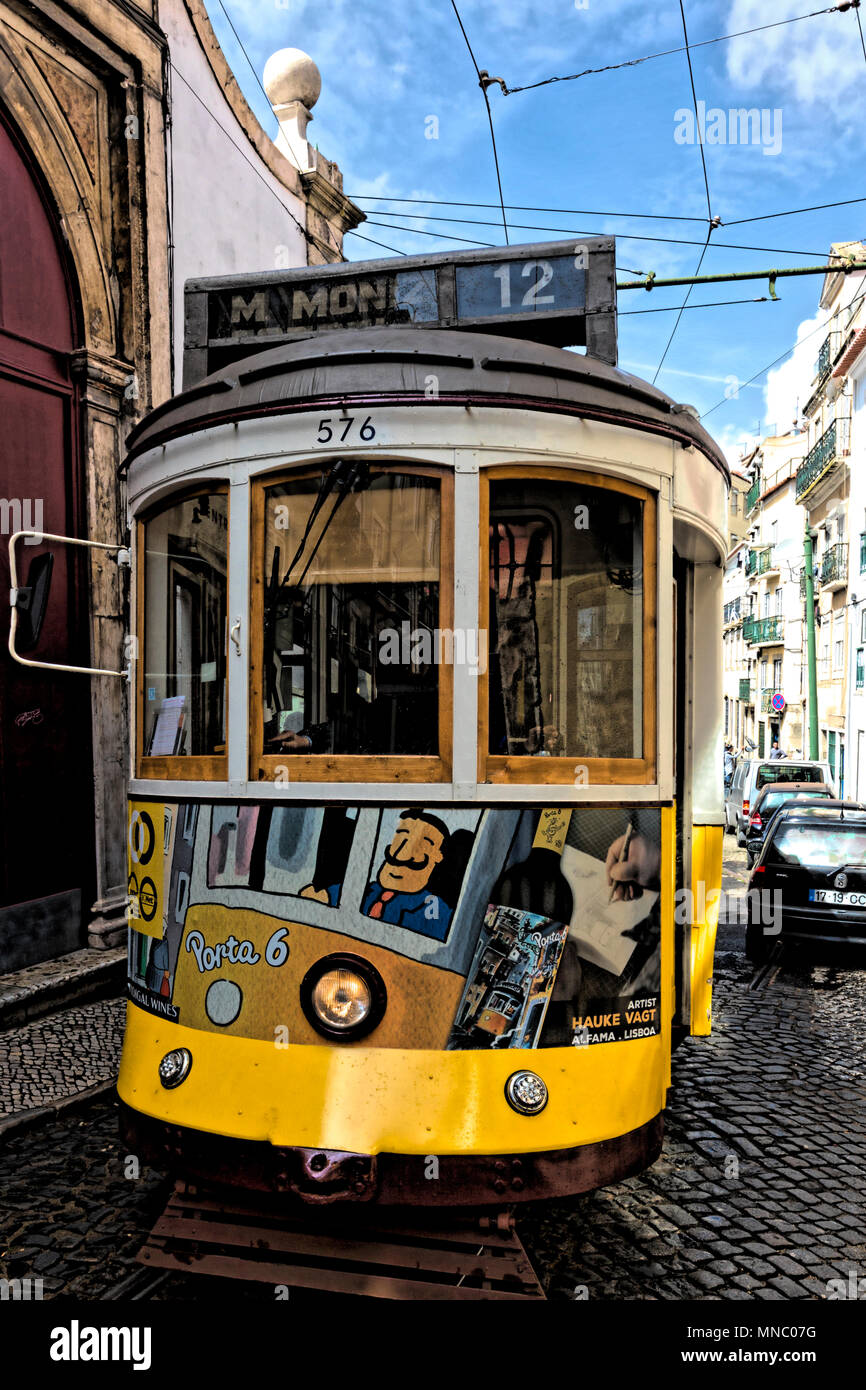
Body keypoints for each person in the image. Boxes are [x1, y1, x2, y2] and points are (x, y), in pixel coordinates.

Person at [302, 808, 454, 938]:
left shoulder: (436, 910)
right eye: (401, 835)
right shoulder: (368, 889)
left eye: (423, 844)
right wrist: (321, 896)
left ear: (439, 857)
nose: (402, 853)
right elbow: (330, 896)